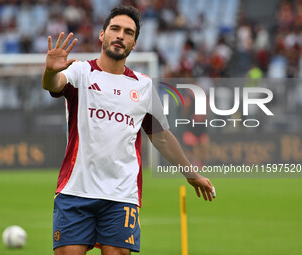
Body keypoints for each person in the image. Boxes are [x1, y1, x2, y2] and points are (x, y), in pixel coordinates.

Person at [42, 5, 215, 255]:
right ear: (103, 35)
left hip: (122, 194)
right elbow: (54, 85)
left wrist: (190, 173)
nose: (120, 35)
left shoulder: (143, 86)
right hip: (76, 190)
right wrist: (50, 71)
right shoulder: (81, 72)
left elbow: (162, 137)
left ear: (134, 43)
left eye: (128, 32)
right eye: (115, 29)